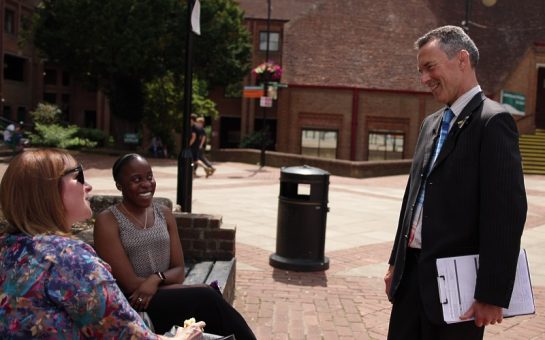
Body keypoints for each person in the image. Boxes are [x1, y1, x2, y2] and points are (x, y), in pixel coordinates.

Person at [384, 26, 527, 340]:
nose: (424, 78)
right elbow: (413, 199)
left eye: (430, 67)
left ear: (462, 60)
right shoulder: (429, 123)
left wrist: (492, 293)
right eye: (420, 70)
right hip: (410, 282)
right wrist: (397, 261)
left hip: (457, 292)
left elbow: (505, 214)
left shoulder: (494, 122)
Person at [0, 149, 205, 339]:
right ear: (46, 192)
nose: (88, 186)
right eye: (77, 176)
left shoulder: (8, 247)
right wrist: (182, 337)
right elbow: (129, 334)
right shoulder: (69, 258)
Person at [93, 153, 257, 339]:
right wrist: (162, 282)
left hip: (165, 296)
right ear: (119, 186)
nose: (146, 184)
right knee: (206, 296)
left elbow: (179, 271)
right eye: (136, 179)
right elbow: (130, 284)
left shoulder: (164, 214)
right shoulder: (109, 220)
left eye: (149, 177)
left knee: (207, 302)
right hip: (134, 305)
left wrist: (155, 278)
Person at [189, 114, 214, 178]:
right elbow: (202, 137)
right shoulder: (200, 128)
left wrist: (189, 144)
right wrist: (200, 144)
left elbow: (194, 137)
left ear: (192, 119)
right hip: (197, 146)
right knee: (195, 160)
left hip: (193, 146)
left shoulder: (193, 127)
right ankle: (196, 171)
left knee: (194, 160)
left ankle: (204, 168)